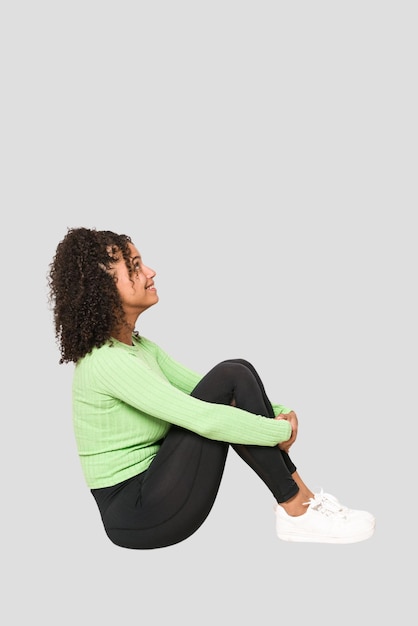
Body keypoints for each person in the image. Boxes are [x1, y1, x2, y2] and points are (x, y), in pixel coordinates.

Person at [48, 227, 375, 549]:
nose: (150, 272)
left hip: (160, 486)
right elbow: (201, 417)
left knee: (237, 370)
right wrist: (276, 431)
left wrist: (279, 412)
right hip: (139, 515)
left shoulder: (139, 348)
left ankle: (302, 505)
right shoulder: (107, 362)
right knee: (231, 374)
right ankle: (298, 508)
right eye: (134, 267)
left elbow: (200, 387)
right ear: (102, 288)